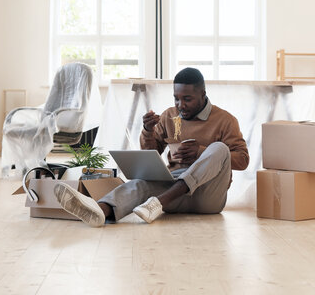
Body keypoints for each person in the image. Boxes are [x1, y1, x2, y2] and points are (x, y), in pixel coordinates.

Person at [53, 67, 249, 227]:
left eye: (187, 99)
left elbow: (243, 160)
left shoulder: (225, 120)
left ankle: (158, 203)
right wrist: (148, 130)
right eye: (176, 98)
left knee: (220, 148)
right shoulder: (169, 116)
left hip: (207, 197)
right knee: (138, 184)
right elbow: (151, 155)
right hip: (171, 196)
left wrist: (201, 152)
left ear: (203, 94)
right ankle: (99, 211)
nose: (181, 105)